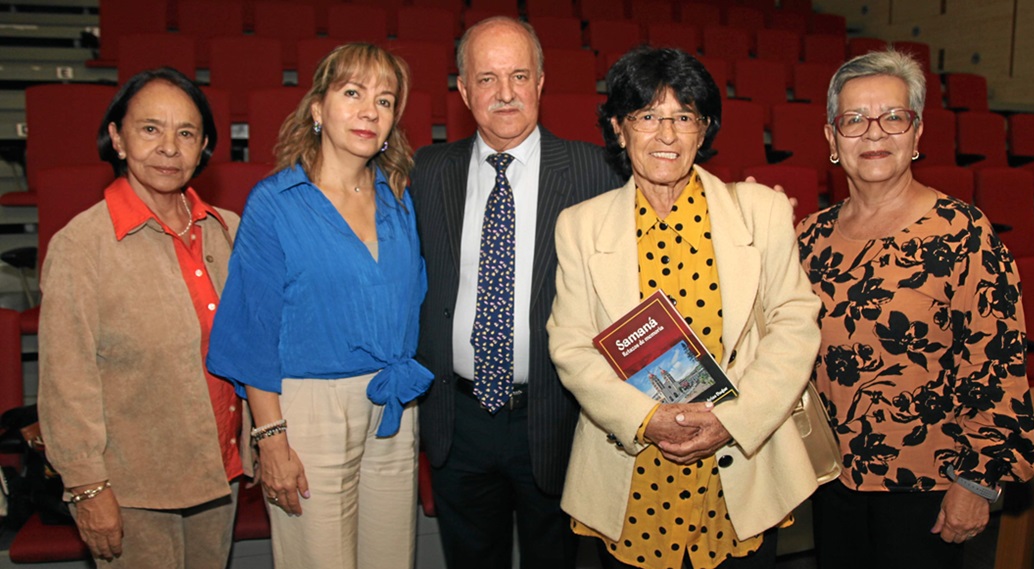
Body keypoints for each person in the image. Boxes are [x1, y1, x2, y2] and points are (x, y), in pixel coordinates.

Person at [547, 47, 823, 569]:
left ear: (705, 130)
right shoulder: (580, 226)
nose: (667, 135)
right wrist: (646, 419)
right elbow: (570, 344)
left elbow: (795, 322)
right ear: (618, 129)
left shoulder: (760, 211)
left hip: (739, 467)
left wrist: (736, 420)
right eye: (647, 117)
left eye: (684, 117)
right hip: (632, 470)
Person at [796, 50, 1034, 569]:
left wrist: (977, 481)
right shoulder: (809, 236)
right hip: (830, 478)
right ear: (831, 139)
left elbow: (996, 364)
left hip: (928, 485)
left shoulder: (963, 233)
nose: (874, 134)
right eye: (854, 120)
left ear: (918, 133)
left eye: (894, 117)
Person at [206, 43, 430, 569]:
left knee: (392, 559)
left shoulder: (398, 197)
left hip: (394, 405)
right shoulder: (275, 203)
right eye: (352, 93)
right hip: (309, 411)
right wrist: (271, 438)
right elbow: (252, 331)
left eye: (385, 100)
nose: (369, 110)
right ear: (317, 109)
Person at [411, 16, 622, 569]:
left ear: (541, 82)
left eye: (519, 75)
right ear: (462, 90)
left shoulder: (595, 171)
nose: (505, 93)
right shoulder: (425, 171)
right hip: (457, 419)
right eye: (486, 79)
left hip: (555, 415)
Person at [38, 67, 244, 568]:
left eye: (187, 133)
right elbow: (67, 381)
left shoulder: (227, 231)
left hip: (220, 473)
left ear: (204, 148)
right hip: (132, 490)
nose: (170, 147)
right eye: (151, 128)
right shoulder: (82, 245)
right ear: (117, 138)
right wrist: (87, 488)